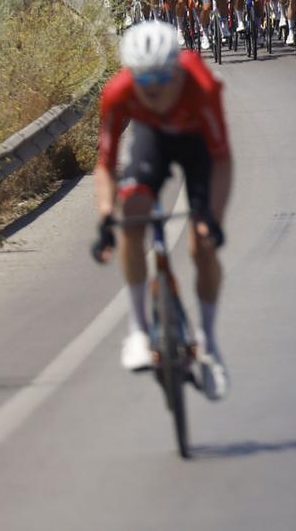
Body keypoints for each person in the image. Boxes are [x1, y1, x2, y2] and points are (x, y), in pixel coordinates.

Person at [90, 20, 232, 399]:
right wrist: (106, 216)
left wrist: (213, 220)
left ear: (177, 70)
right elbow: (105, 165)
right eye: (144, 82)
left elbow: (221, 161)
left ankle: (209, 345)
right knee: (131, 215)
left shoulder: (201, 84)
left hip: (196, 144)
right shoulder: (118, 92)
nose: (153, 90)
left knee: (201, 244)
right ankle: (138, 330)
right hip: (152, 139)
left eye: (161, 80)